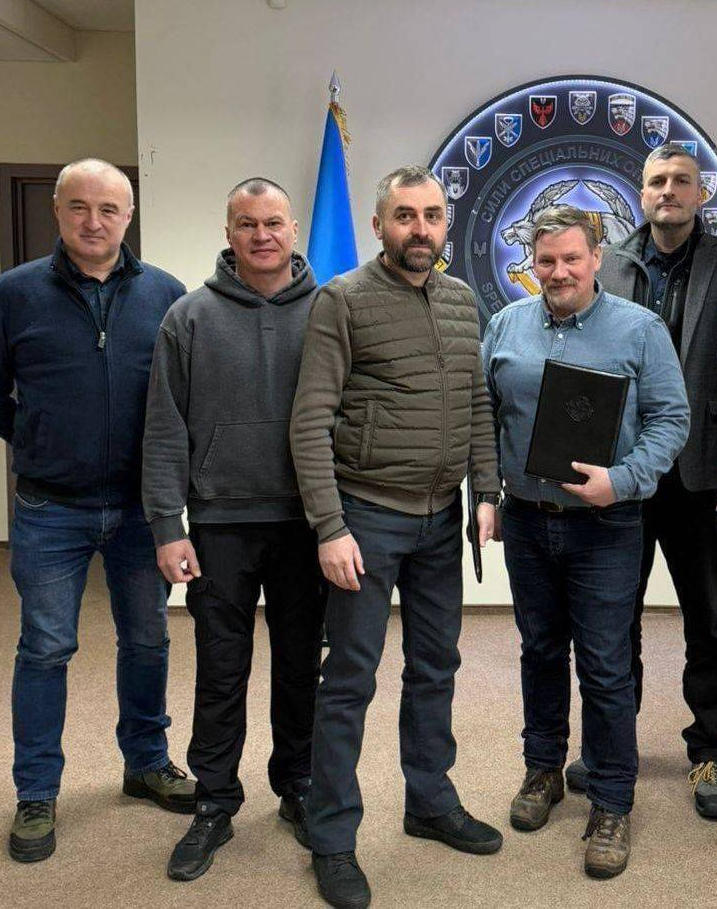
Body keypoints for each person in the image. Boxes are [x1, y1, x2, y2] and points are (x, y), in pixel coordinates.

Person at [0, 157, 192, 864]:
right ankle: (36, 792)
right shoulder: (12, 294)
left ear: (129, 217)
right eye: (80, 207)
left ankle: (145, 762)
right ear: (57, 211)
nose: (94, 222)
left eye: (109, 209)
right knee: (46, 647)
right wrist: (39, 439)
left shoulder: (166, 294)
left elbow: (182, 397)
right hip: (49, 508)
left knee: (148, 640)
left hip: (140, 507)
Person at [290, 165, 503, 909]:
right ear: (379, 225)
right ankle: (332, 836)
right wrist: (329, 526)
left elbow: (476, 403)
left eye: (432, 215)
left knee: (435, 667)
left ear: (447, 224)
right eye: (405, 215)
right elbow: (309, 420)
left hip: (442, 520)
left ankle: (430, 801)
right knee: (350, 679)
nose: (420, 228)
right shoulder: (342, 300)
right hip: (367, 518)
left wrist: (486, 491)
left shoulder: (462, 299)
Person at [483, 204, 689, 879]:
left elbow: (671, 420)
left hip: (606, 526)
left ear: (597, 257)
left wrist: (622, 481)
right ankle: (543, 769)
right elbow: (484, 416)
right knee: (539, 651)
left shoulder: (640, 329)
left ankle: (611, 800)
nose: (559, 271)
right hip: (526, 520)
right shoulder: (505, 326)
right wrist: (485, 494)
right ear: (532, 264)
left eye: (572, 258)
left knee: (604, 665)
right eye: (546, 260)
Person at [142, 177, 327, 881]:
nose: (261, 235)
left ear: (293, 229)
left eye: (273, 222)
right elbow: (165, 430)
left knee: (300, 665)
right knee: (221, 669)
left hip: (307, 523)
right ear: (229, 233)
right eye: (246, 224)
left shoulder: (331, 311)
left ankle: (298, 785)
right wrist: (168, 525)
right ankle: (215, 800)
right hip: (219, 524)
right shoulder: (188, 317)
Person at [585, 142, 717, 820]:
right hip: (624, 474)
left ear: (700, 193)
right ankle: (611, 745)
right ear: (642, 192)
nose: (668, 191)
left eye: (682, 180)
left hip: (704, 474)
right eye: (657, 181)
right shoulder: (609, 264)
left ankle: (710, 748)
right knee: (612, 620)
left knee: (709, 621)